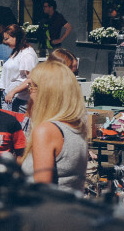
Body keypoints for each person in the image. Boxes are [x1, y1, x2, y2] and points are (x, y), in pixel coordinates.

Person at [20, 61, 88, 191]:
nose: (29, 93)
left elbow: (42, 191)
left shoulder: (46, 131)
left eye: (32, 87)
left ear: (46, 92)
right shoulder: (76, 127)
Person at [0, 24, 38, 113]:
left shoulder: (27, 54)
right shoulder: (17, 51)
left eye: (7, 38)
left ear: (16, 37)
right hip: (9, 96)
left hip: (17, 98)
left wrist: (13, 92)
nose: (4, 42)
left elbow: (31, 80)